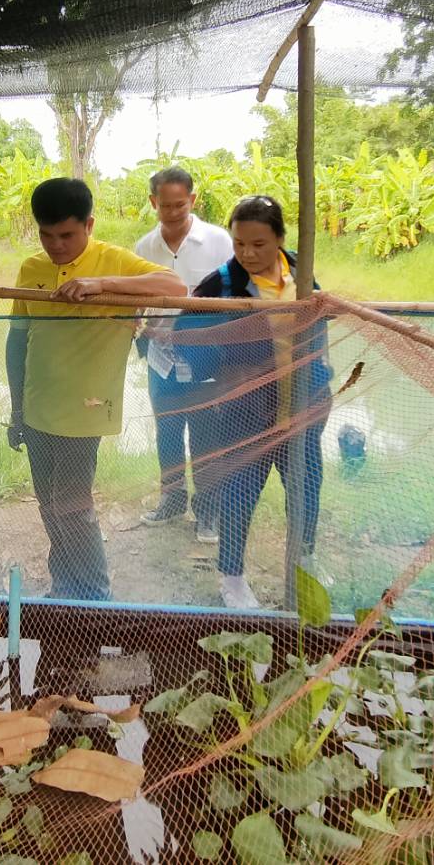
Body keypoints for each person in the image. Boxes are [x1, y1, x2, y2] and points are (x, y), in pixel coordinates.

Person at [5, 177, 187, 601]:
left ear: (89, 225)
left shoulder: (113, 261)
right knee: (49, 504)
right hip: (36, 405)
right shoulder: (31, 268)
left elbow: (175, 287)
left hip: (86, 409)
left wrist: (100, 284)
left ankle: (94, 596)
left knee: (71, 505)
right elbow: (17, 339)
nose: (57, 246)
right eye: (47, 235)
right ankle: (65, 587)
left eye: (67, 235)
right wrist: (16, 408)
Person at [177, 196, 332, 610]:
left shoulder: (300, 272)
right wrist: (223, 369)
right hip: (246, 413)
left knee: (305, 487)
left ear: (280, 238)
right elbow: (184, 335)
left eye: (258, 244)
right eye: (239, 243)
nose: (247, 253)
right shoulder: (222, 284)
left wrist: (322, 380)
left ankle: (304, 560)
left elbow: (317, 328)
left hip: (303, 407)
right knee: (239, 492)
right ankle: (232, 577)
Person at [133, 167, 233, 540]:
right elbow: (137, 299)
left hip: (208, 358)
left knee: (207, 436)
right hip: (162, 360)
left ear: (192, 200)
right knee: (168, 431)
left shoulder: (219, 241)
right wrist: (139, 325)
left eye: (180, 204)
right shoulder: (145, 248)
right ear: (153, 202)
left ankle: (208, 512)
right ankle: (172, 501)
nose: (173, 212)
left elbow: (234, 295)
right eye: (165, 206)